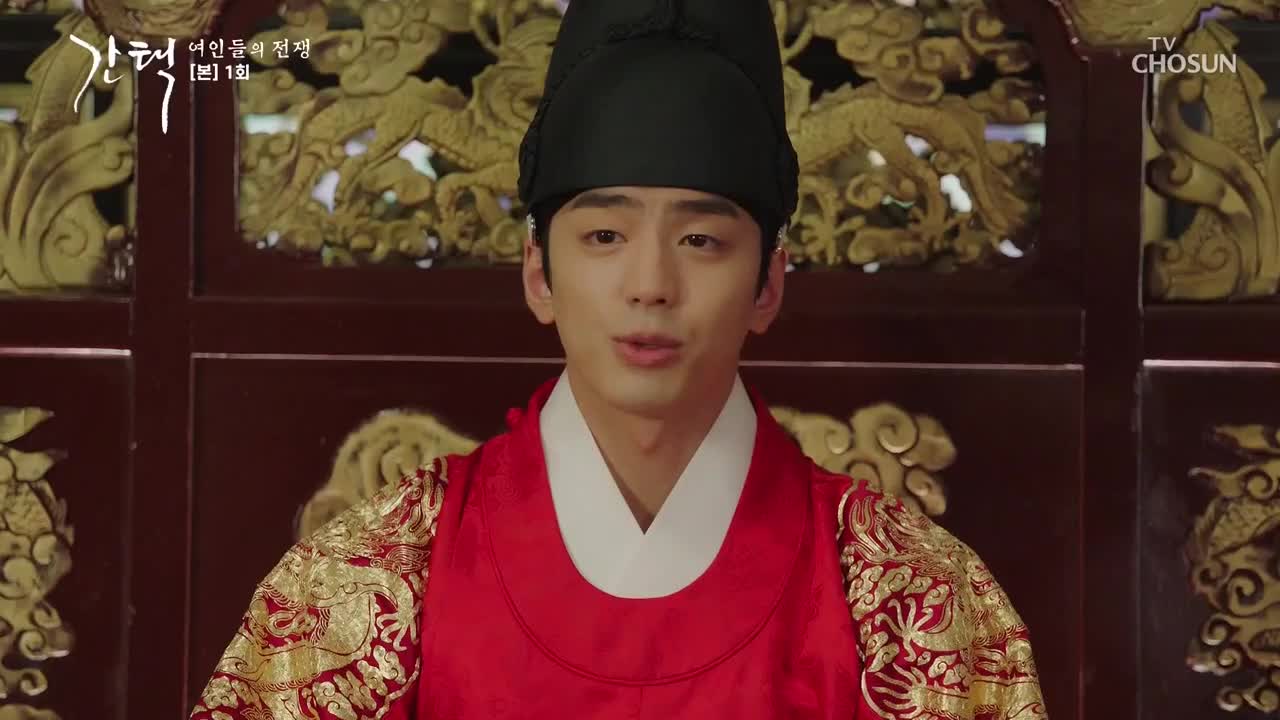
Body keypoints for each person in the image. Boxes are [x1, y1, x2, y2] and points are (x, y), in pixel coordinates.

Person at [189, 1, 1048, 717]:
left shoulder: (908, 599)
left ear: (768, 285)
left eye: (702, 240)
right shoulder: (372, 581)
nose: (650, 285)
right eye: (604, 236)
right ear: (539, 274)